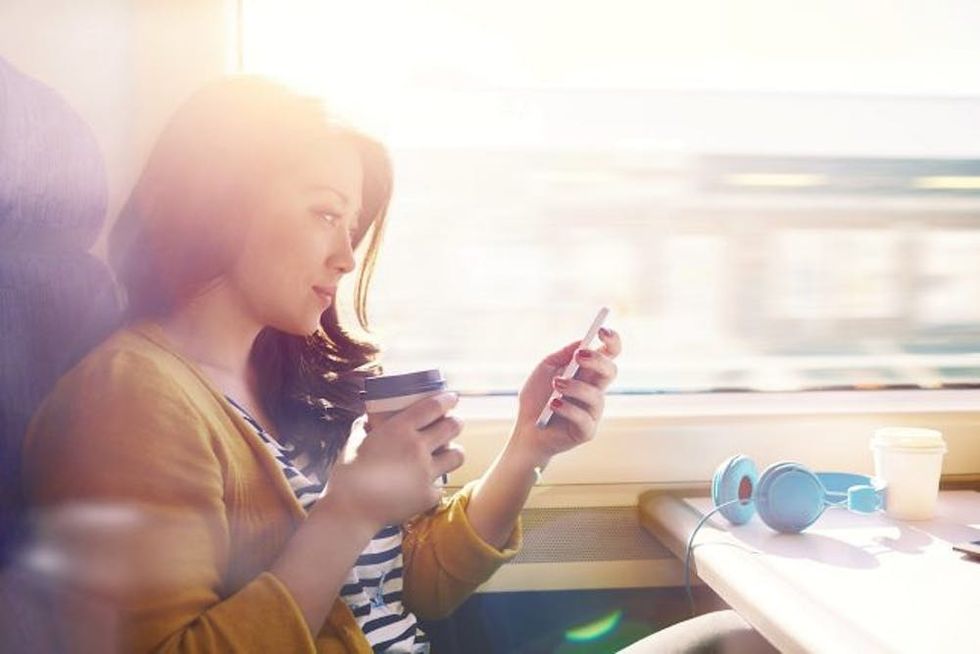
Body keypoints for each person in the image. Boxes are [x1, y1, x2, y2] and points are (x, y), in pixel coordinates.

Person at [20, 75, 622, 653]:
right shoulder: (128, 399)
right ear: (223, 199)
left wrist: (527, 449)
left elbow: (407, 595)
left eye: (353, 228)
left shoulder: (276, 384)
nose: (345, 258)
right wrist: (351, 507)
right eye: (326, 215)